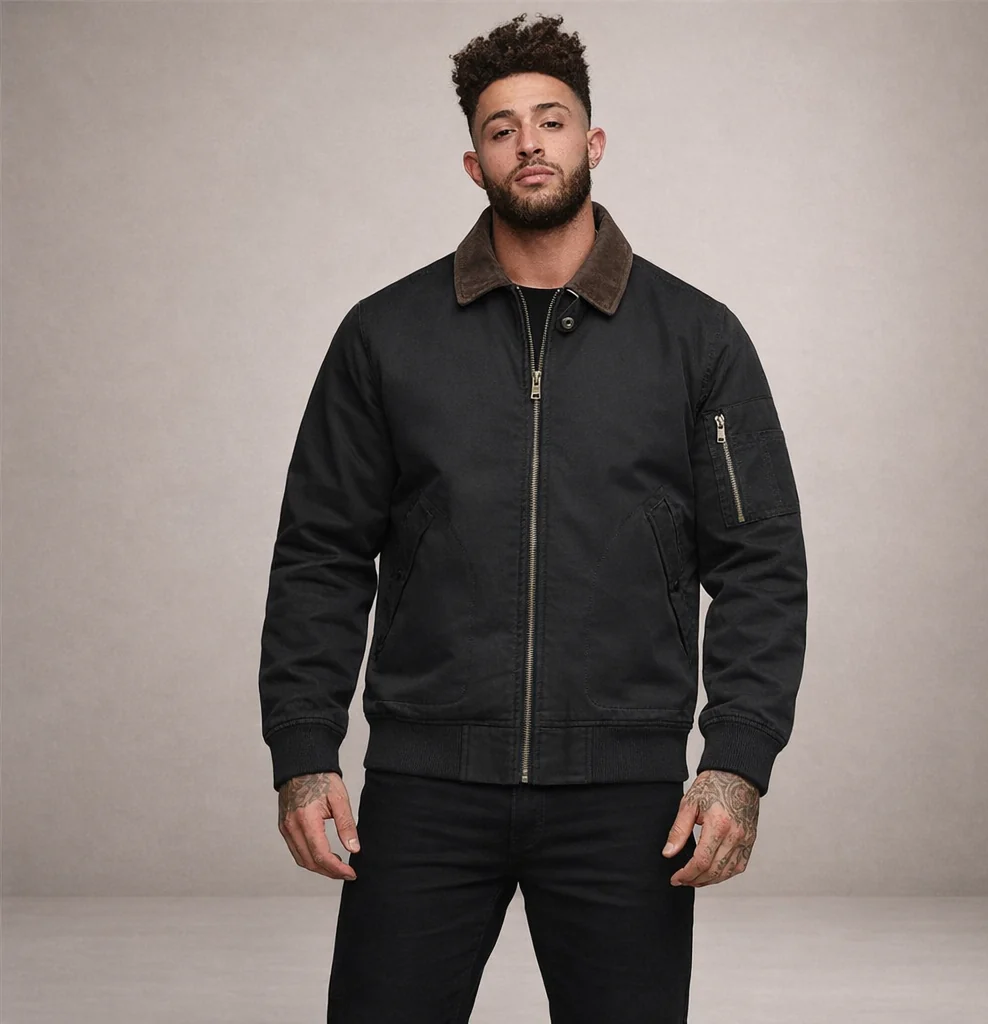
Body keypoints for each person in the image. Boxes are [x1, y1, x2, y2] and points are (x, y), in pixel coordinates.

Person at [258, 11, 807, 1023]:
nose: (530, 143)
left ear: (592, 142)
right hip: (427, 782)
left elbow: (760, 561)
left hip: (624, 793)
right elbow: (320, 553)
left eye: (550, 121)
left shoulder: (699, 340)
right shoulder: (385, 336)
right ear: (475, 164)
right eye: (502, 128)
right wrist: (302, 748)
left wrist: (736, 760)